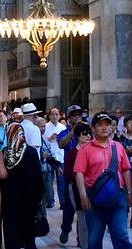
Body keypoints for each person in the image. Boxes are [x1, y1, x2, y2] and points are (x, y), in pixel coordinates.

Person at [73, 111, 132, 249]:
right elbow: (79, 173)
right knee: (94, 239)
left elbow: (125, 169)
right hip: (94, 199)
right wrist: (83, 196)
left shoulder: (118, 147)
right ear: (93, 128)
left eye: (107, 124)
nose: (105, 127)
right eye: (100, 125)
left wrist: (129, 192)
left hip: (118, 197)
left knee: (121, 235)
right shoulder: (86, 149)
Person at [0, 123, 46, 249]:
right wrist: (40, 195)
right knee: (28, 230)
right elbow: (37, 175)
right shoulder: (30, 152)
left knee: (11, 230)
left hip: (10, 199)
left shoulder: (4, 153)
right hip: (28, 198)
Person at [56, 104, 84, 244]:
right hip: (70, 176)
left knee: (83, 209)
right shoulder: (64, 131)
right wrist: (73, 131)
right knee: (69, 208)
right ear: (68, 118)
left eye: (79, 114)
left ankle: (81, 238)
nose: (77, 116)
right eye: (74, 114)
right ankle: (65, 229)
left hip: (85, 175)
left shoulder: (86, 131)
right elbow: (61, 144)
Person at [64, 123, 93, 248]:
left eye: (88, 133)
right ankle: (84, 244)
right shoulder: (72, 153)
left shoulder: (93, 150)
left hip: (92, 188)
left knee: (92, 219)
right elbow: (68, 174)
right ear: (78, 136)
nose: (87, 136)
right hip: (76, 188)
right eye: (84, 133)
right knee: (82, 220)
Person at [44, 107, 67, 208]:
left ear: (59, 116)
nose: (54, 116)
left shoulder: (62, 127)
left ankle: (62, 202)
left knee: (61, 181)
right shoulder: (45, 126)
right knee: (49, 182)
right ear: (49, 116)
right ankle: (50, 201)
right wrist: (50, 138)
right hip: (49, 157)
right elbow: (43, 141)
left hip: (60, 156)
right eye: (52, 114)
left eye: (56, 114)